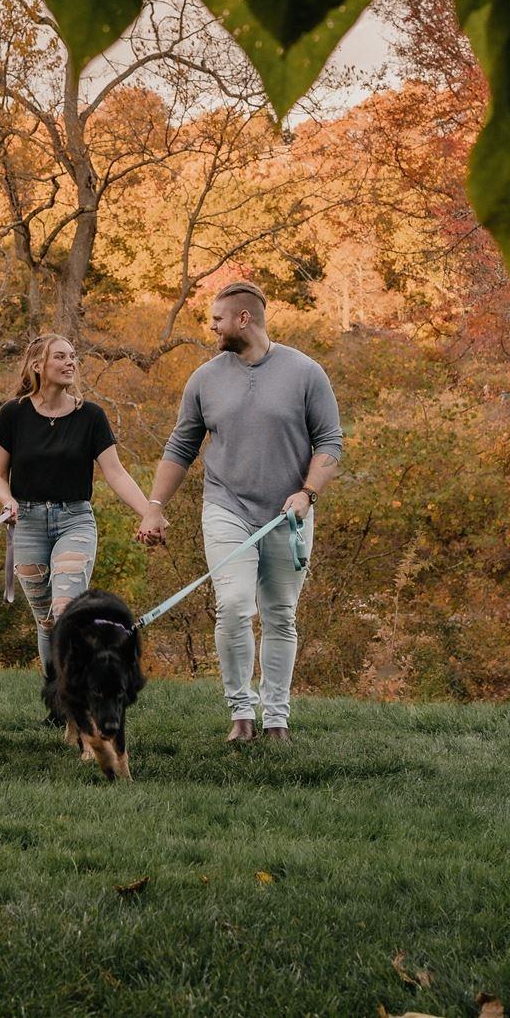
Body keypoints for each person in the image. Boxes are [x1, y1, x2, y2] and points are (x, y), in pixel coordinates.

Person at [137, 282, 343, 743]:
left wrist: (308, 493)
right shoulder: (205, 379)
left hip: (288, 514)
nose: (211, 327)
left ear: (243, 320)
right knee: (231, 607)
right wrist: (154, 508)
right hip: (226, 508)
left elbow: (330, 441)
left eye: (216, 319)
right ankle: (241, 714)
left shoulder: (305, 372)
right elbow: (180, 447)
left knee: (280, 614)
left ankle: (276, 719)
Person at [0, 333, 154, 674]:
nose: (71, 363)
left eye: (73, 357)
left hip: (74, 520)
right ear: (38, 366)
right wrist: (7, 501)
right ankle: (58, 698)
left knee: (66, 611)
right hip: (28, 523)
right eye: (61, 357)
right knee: (46, 621)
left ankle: (74, 695)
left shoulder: (91, 416)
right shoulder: (12, 414)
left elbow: (116, 473)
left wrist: (149, 512)